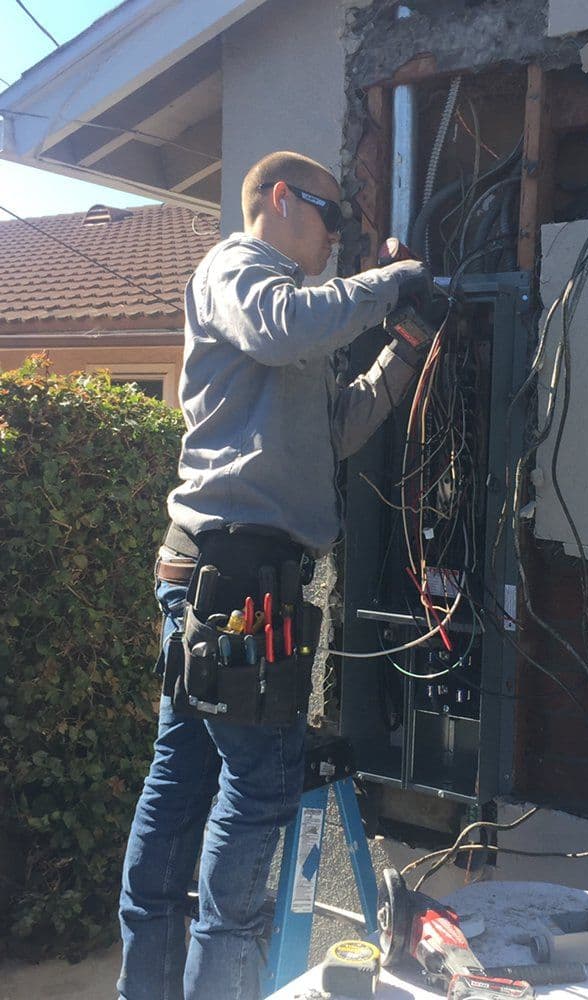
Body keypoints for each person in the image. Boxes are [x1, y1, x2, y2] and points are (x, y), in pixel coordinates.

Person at [117, 150, 433, 1000]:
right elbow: (289, 325)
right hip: (236, 574)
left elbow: (340, 425)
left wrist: (404, 344)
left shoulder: (286, 306)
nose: (338, 238)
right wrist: (390, 281)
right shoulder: (238, 269)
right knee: (256, 791)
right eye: (333, 218)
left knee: (180, 776)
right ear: (283, 200)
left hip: (227, 575)